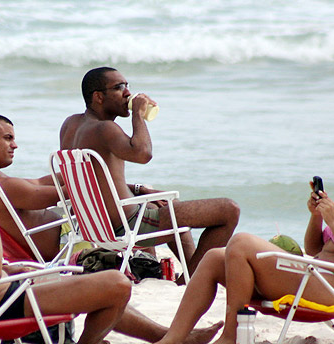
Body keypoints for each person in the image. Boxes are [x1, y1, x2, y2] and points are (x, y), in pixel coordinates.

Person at [0, 140, 222, 344]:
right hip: (1, 305)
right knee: (116, 282)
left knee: (91, 282)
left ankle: (171, 335)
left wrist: (15, 267)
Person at [139, 144, 334, 344]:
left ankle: (232, 336)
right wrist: (317, 216)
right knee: (215, 257)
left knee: (241, 241)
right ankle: (173, 339)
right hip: (315, 275)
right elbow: (314, 247)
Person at [59, 66, 240, 276]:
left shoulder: (70, 125)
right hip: (129, 226)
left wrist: (139, 189)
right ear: (98, 97)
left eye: (127, 86)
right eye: (119, 88)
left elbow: (90, 181)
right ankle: (193, 278)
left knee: (168, 205)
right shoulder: (105, 129)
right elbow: (143, 154)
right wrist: (138, 114)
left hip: (96, 225)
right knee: (229, 210)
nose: (128, 93)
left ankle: (190, 276)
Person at [0, 114, 65, 262]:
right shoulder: (1, 187)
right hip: (68, 244)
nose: (15, 145)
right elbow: (63, 194)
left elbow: (38, 183)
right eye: (8, 138)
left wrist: (72, 174)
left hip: (52, 243)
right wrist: (97, 176)